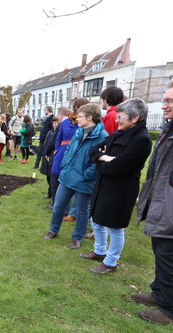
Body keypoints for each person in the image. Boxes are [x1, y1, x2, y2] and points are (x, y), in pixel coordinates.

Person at [78, 98, 152, 274]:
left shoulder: (142, 140)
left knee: (115, 227)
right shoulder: (119, 133)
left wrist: (103, 162)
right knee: (96, 220)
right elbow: (94, 151)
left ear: (135, 118)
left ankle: (111, 262)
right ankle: (99, 251)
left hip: (121, 189)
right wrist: (104, 158)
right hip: (104, 184)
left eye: (121, 116)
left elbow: (118, 167)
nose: (117, 120)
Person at [134, 79, 173, 324]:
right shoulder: (169, 129)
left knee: (171, 258)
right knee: (161, 253)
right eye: (164, 101)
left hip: (172, 206)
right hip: (162, 201)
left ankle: (171, 310)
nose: (164, 106)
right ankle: (159, 293)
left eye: (170, 101)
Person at [44, 103, 108, 249]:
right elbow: (69, 149)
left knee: (82, 211)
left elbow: (99, 161)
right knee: (58, 205)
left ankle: (77, 237)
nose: (76, 118)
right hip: (68, 176)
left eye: (79, 116)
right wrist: (65, 164)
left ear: (90, 117)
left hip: (84, 180)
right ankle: (53, 230)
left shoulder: (103, 137)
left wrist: (87, 174)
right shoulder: (79, 131)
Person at [51, 99, 88, 214]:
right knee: (58, 179)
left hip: (77, 155)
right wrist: (57, 150)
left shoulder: (85, 123)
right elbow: (58, 137)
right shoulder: (65, 122)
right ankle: (60, 207)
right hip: (62, 153)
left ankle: (73, 211)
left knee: (73, 182)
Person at [39, 116, 60, 200]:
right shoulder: (50, 132)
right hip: (47, 156)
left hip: (53, 156)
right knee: (48, 176)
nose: (55, 125)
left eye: (56, 123)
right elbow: (46, 144)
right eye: (53, 123)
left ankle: (53, 194)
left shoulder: (58, 133)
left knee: (53, 177)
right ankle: (50, 193)